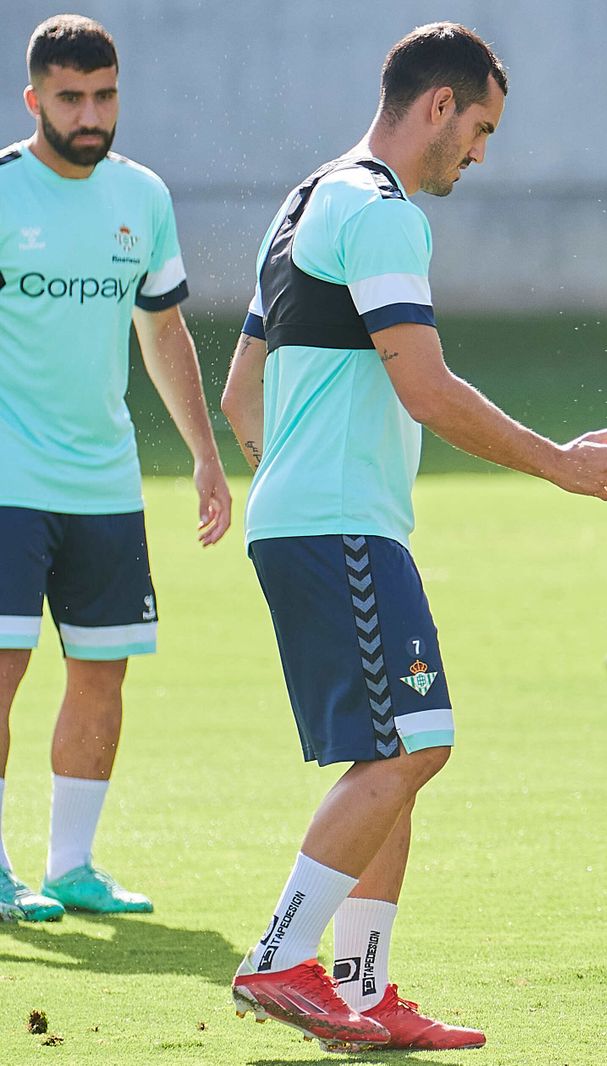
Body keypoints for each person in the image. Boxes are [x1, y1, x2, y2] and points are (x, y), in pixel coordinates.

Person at [219, 23, 607, 1051]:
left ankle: (361, 993)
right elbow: (427, 388)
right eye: (481, 127)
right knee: (416, 743)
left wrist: (300, 472)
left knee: (392, 749)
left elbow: (240, 393)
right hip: (340, 523)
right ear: (438, 106)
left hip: (322, 517)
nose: (482, 153)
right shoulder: (382, 212)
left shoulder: (306, 197)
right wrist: (561, 464)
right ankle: (279, 960)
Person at [0, 14, 231, 924]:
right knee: (4, 667)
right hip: (6, 481)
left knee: (103, 673)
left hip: (105, 483)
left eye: (104, 95)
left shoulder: (144, 195)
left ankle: (72, 867)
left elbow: (162, 326)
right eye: (71, 98)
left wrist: (205, 456)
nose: (91, 114)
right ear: (35, 101)